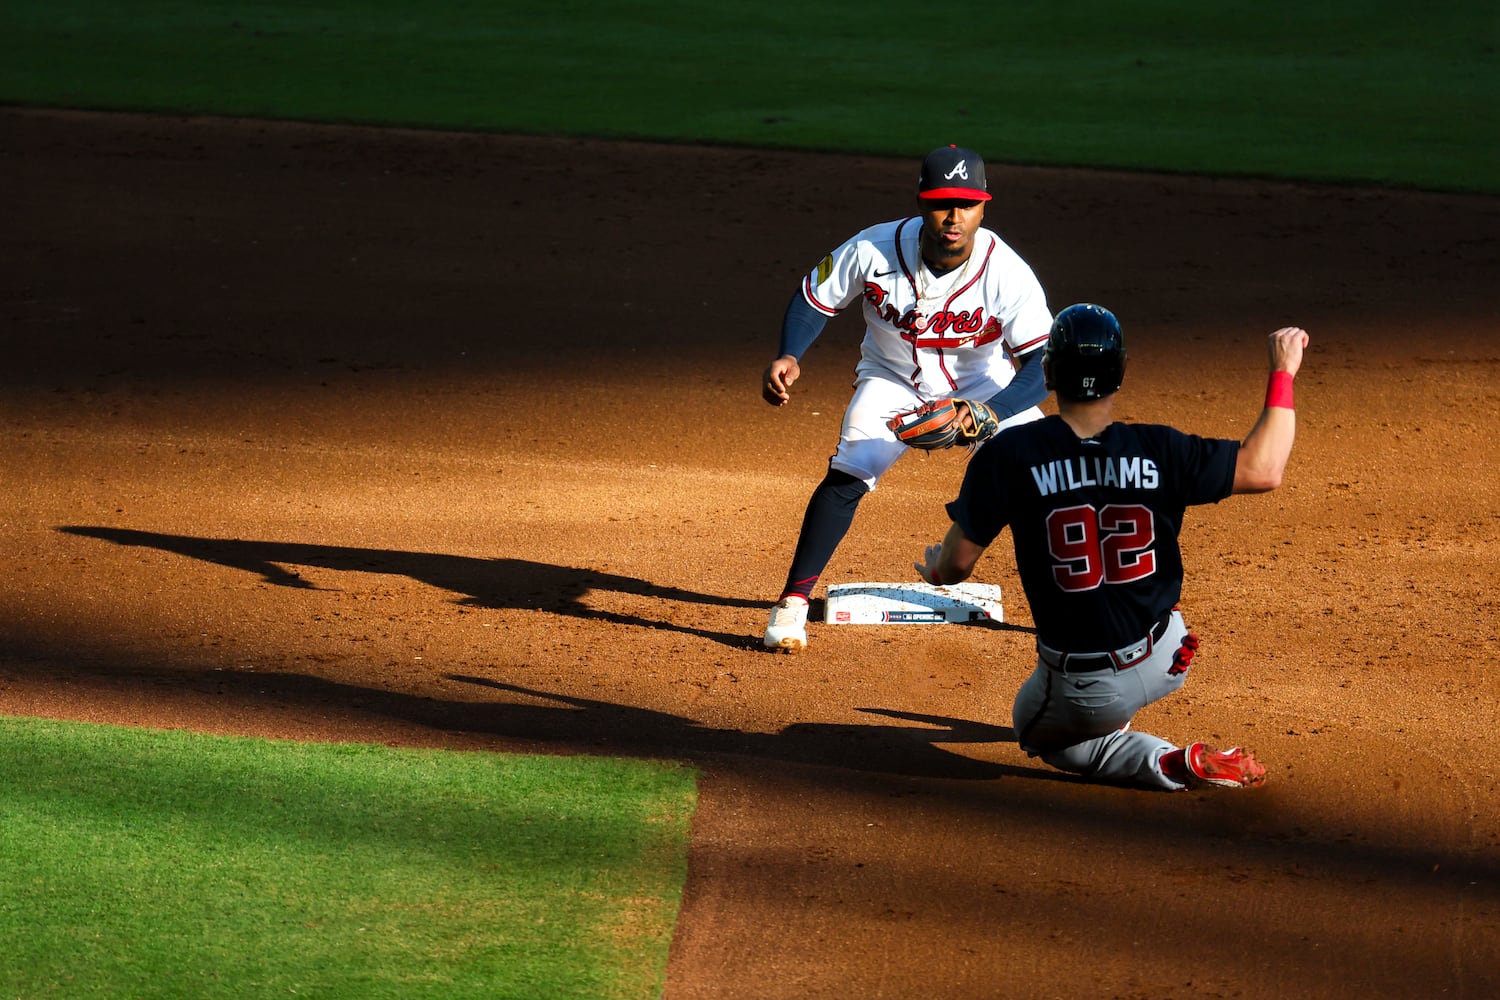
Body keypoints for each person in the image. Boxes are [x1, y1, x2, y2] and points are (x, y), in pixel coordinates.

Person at [914, 303, 1309, 790]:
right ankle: (1126, 699)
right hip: (1169, 652)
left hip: (1090, 686)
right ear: (1120, 374)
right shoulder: (1162, 448)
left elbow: (955, 565)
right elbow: (1265, 469)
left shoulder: (1007, 457)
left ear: (1048, 373)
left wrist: (935, 570)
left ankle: (1171, 763)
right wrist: (1283, 371)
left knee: (1037, 733)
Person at [761, 144, 1054, 652]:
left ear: (984, 206)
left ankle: (1060, 613)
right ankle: (791, 602)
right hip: (891, 378)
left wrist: (989, 412)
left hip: (983, 387)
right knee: (853, 463)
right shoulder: (872, 248)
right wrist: (790, 354)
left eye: (967, 203)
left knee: (1039, 471)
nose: (954, 216)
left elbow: (1044, 363)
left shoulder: (1005, 269)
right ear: (921, 201)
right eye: (943, 202)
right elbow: (815, 297)